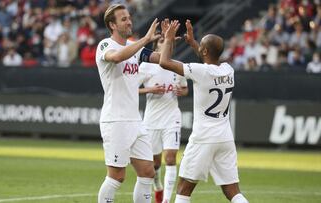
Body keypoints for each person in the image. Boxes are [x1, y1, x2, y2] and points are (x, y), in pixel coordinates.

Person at [159, 20, 249, 203]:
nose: (199, 48)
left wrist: (168, 39)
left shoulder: (200, 71)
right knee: (233, 191)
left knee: (183, 189)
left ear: (205, 51)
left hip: (203, 137)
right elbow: (208, 60)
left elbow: (164, 62)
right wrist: (193, 43)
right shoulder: (228, 70)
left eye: (201, 46)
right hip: (225, 138)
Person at [95, 4, 162, 203]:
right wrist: (145, 40)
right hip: (116, 120)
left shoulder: (134, 46)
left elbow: (160, 59)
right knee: (117, 176)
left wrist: (167, 42)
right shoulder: (105, 45)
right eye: (123, 19)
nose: (129, 21)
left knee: (147, 172)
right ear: (112, 25)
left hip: (135, 120)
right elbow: (116, 58)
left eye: (129, 17)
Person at [139, 35, 188, 203]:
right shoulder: (146, 67)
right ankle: (158, 186)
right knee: (154, 163)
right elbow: (130, 88)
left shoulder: (177, 66)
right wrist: (150, 89)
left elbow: (185, 88)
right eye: (162, 41)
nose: (167, 44)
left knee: (171, 158)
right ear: (156, 46)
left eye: (170, 42)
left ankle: (166, 199)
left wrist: (183, 91)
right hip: (152, 120)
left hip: (172, 118)